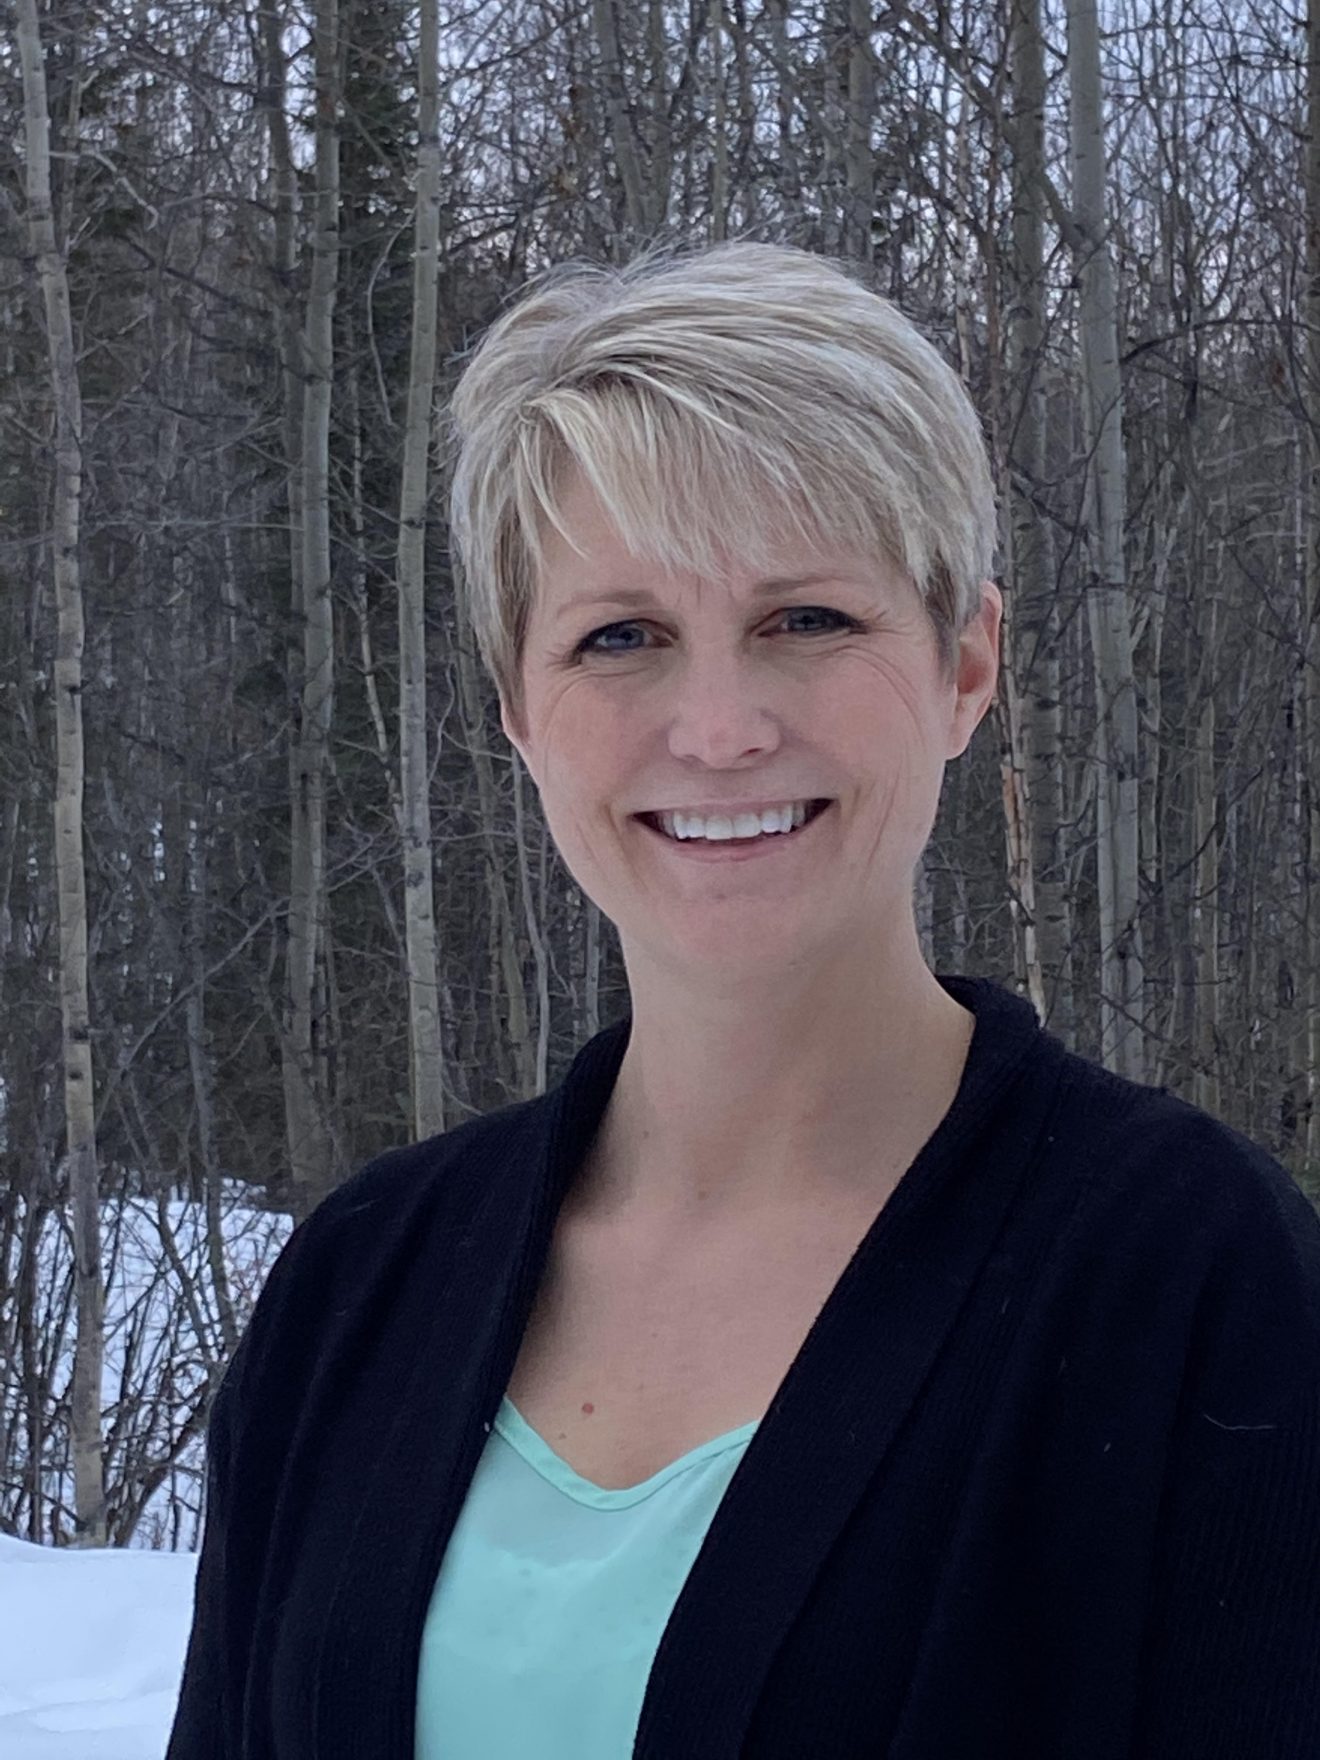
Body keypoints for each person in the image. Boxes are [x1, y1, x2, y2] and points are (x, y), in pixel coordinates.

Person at [166, 240, 1320, 1760]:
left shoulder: (1190, 1280)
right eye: (620, 636)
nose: (717, 731)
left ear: (966, 661)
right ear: (518, 707)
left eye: (807, 621)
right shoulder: (363, 1283)